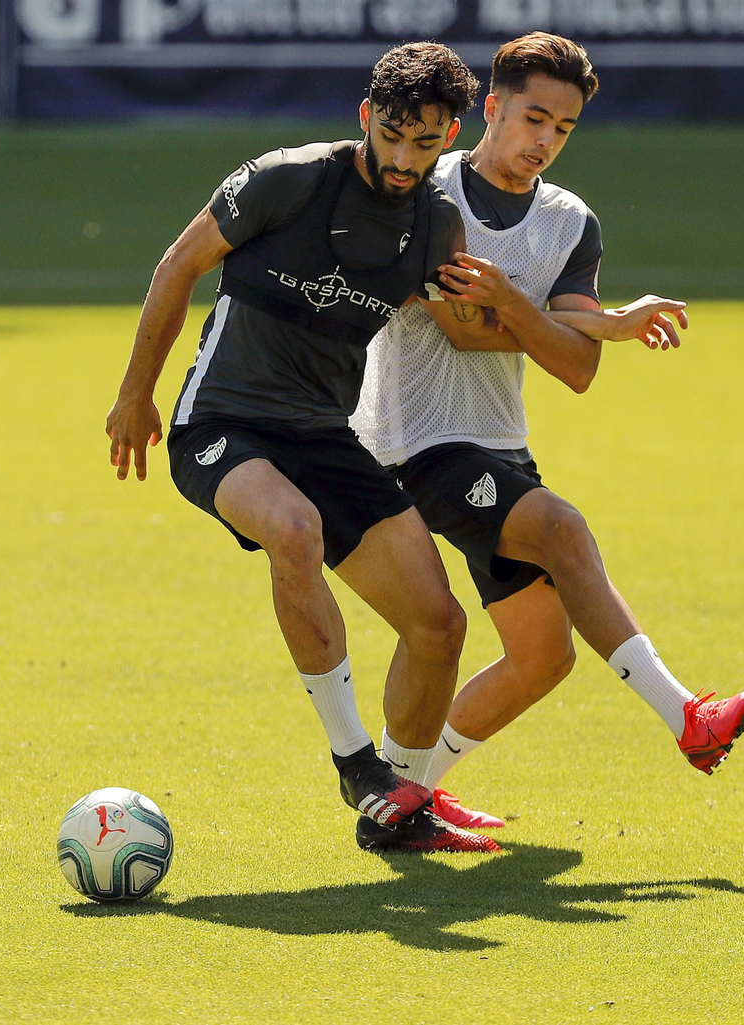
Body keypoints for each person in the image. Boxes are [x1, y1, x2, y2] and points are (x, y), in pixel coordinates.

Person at [104, 43, 512, 854]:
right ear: (366, 116)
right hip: (222, 422)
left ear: (450, 134)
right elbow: (177, 266)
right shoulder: (286, 178)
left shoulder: (436, 226)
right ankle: (355, 763)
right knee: (292, 529)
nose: (402, 158)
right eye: (391, 134)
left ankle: (396, 806)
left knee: (438, 625)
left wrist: (567, 319)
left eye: (424, 143)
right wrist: (134, 393)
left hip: (324, 434)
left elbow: (472, 334)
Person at [350, 33, 744, 829]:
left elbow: (576, 366)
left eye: (563, 128)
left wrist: (603, 323)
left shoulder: (571, 221)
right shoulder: (430, 196)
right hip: (417, 442)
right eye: (533, 117)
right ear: (492, 109)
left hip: (496, 445)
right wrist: (556, 319)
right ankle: (687, 718)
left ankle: (402, 799)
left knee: (544, 656)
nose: (544, 141)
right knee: (565, 530)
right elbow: (468, 330)